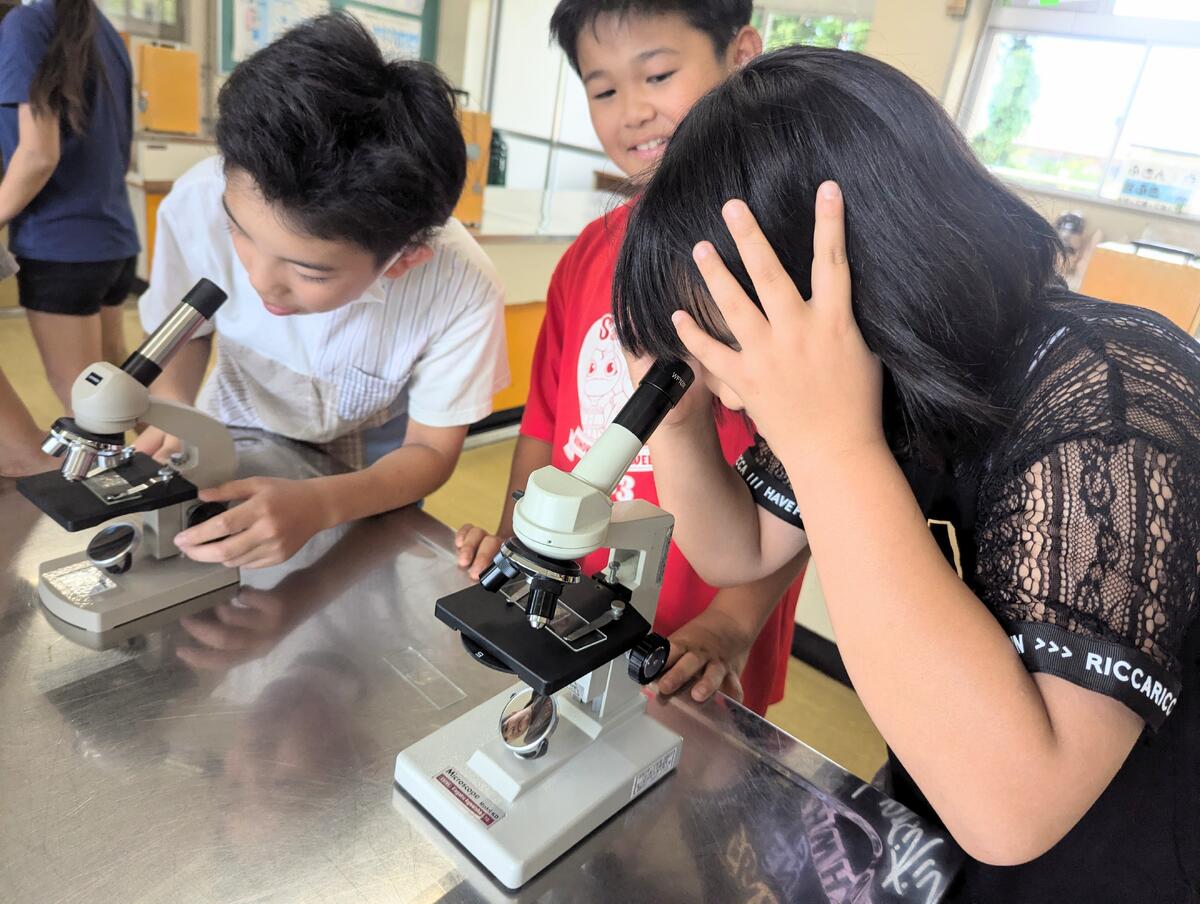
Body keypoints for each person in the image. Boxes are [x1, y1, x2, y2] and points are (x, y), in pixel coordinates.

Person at [612, 45, 1200, 902]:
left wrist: (833, 447)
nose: (734, 390)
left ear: (858, 272)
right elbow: (739, 550)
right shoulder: (886, 377)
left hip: (1111, 858)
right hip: (942, 813)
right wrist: (680, 424)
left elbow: (1013, 806)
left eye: (737, 345)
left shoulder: (1112, 390)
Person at [454, 0, 804, 716]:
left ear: (742, 55)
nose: (633, 112)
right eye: (604, 89)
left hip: (703, 635)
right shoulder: (586, 257)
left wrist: (730, 624)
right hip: (575, 607)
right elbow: (543, 430)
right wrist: (524, 542)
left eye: (658, 75)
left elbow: (808, 484)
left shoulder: (780, 263)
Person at [136, 14, 508, 571]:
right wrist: (173, 410)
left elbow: (430, 449)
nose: (260, 279)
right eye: (239, 232)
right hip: (232, 431)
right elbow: (187, 333)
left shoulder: (461, 287)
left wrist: (322, 504)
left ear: (404, 258)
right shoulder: (195, 202)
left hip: (372, 473)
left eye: (309, 271)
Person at [0, 0, 139, 409]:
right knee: (116, 390)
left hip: (60, 248)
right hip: (113, 240)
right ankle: (170, 449)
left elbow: (38, 156)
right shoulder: (101, 29)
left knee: (89, 405)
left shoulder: (26, 25)